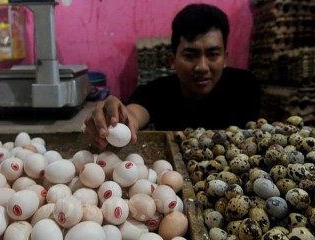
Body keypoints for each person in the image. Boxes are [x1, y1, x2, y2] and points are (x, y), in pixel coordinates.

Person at [84, 3, 261, 149]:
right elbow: (134, 114)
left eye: (213, 54)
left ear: (225, 58)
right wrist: (116, 118)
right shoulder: (155, 91)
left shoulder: (245, 86)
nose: (202, 67)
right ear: (172, 60)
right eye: (190, 55)